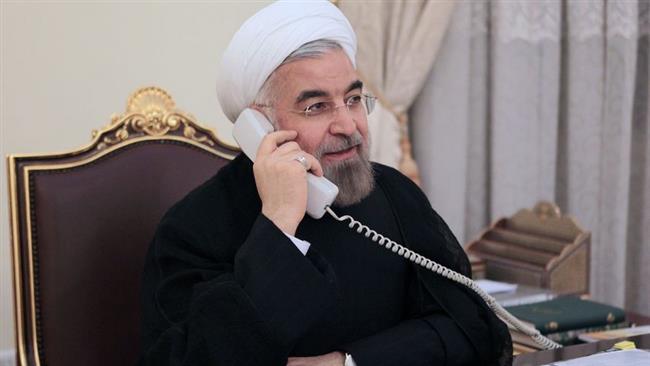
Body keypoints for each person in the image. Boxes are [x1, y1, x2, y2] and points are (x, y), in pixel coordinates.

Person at [138, 1, 512, 365]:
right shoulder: (194, 229)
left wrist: (348, 362)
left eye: (352, 99)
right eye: (316, 106)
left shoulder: (395, 195)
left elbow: (476, 330)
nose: (348, 126)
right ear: (260, 127)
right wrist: (279, 228)